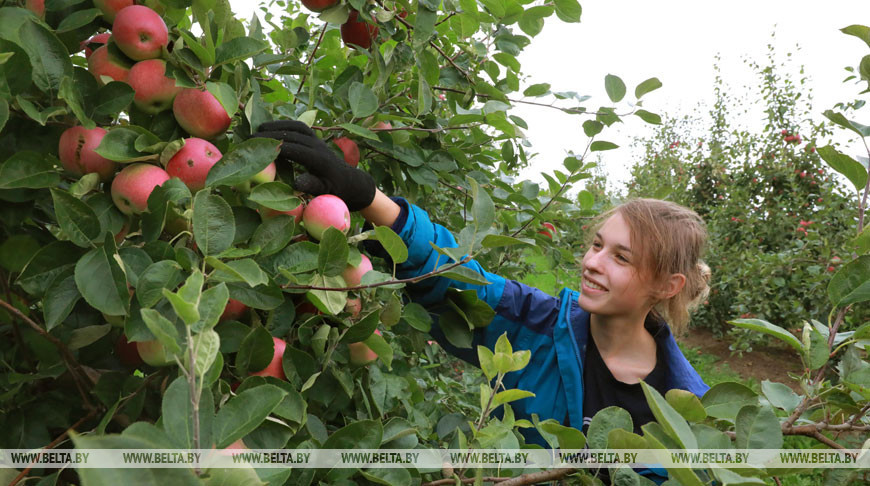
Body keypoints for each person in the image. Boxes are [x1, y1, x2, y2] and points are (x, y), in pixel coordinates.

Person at [254, 121, 712, 484]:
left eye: (621, 258)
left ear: (666, 285)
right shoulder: (540, 328)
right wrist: (366, 195)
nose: (593, 263)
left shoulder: (691, 411)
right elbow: (464, 282)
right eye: (596, 244)